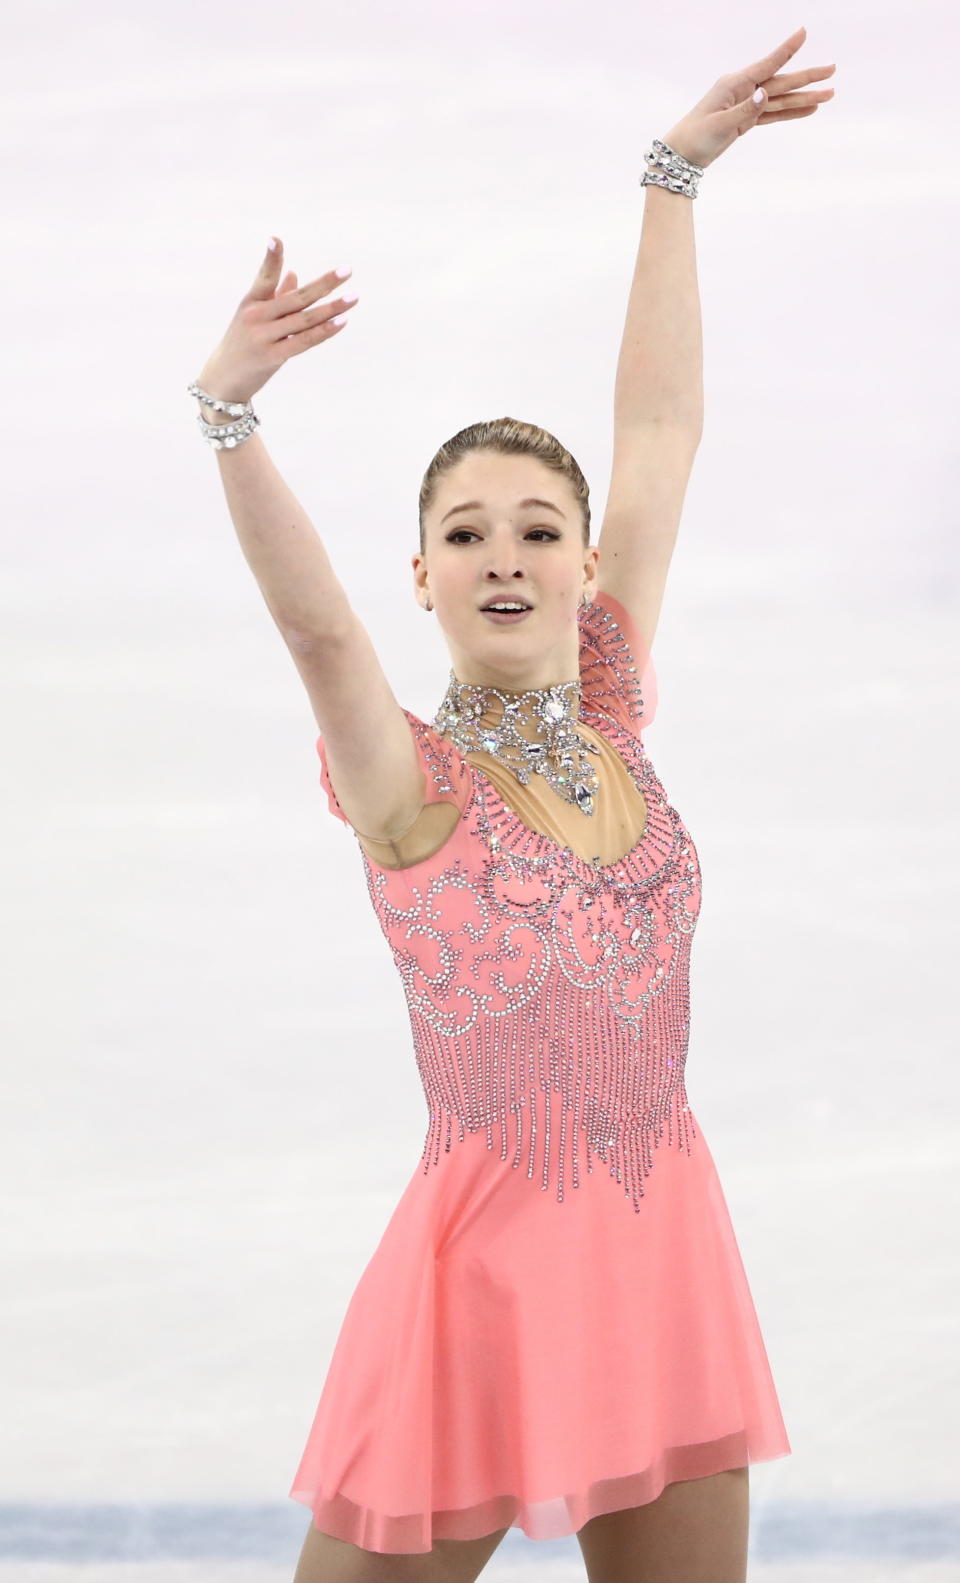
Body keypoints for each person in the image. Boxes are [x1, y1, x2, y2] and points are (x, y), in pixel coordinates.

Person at [188, 28, 835, 1583]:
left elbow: (662, 436)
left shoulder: (613, 699)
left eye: (539, 529)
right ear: (424, 575)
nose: (504, 555)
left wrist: (673, 177)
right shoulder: (408, 787)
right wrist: (231, 415)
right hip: (485, 1278)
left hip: (663, 1247)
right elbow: (318, 635)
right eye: (464, 533)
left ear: (583, 568)